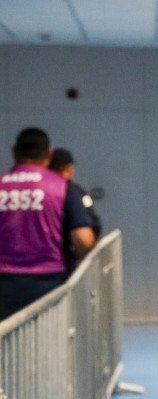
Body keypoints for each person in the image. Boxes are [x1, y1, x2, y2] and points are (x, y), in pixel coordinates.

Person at [0, 128, 96, 320]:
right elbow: (83, 240)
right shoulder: (62, 186)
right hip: (48, 281)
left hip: (3, 281)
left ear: (14, 152)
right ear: (49, 154)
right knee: (46, 345)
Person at [48, 147, 103, 271]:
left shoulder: (40, 191)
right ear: (69, 167)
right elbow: (90, 229)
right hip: (65, 261)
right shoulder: (73, 192)